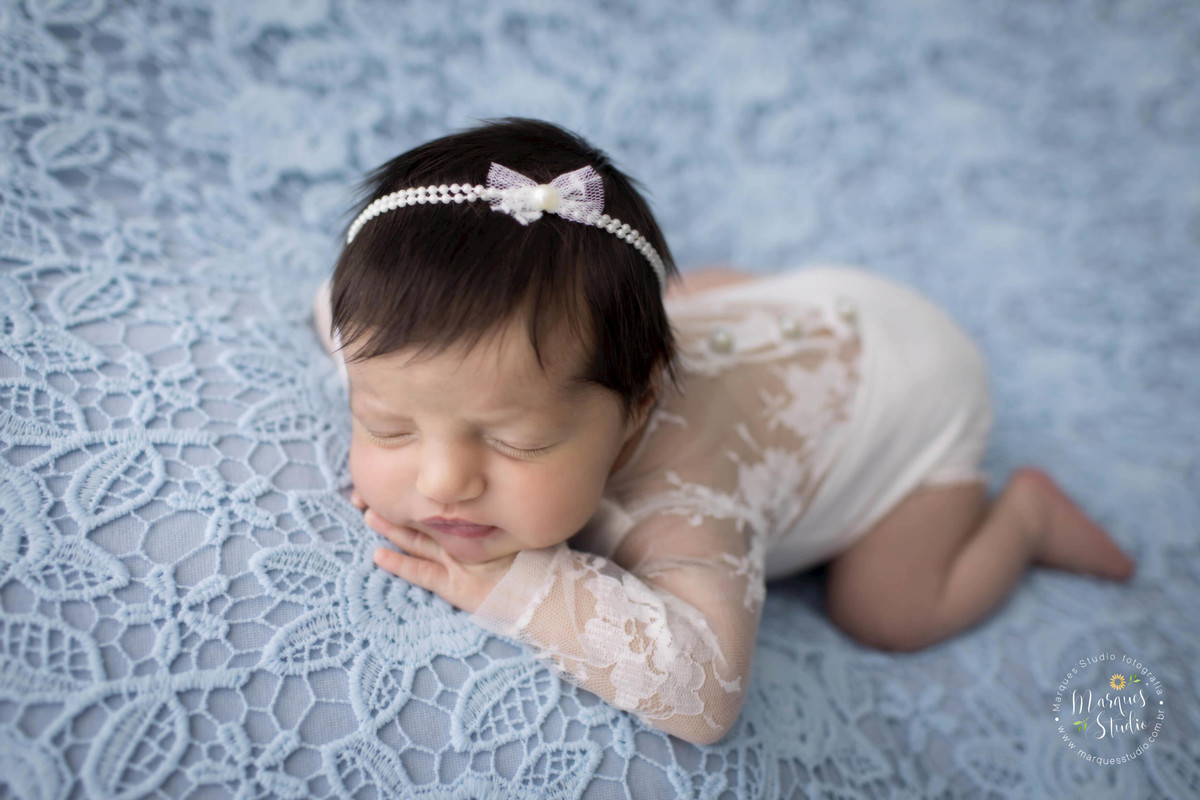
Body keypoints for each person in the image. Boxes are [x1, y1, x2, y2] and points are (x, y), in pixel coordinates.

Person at [312, 118, 1135, 746]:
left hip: (915, 397)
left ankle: (1024, 517)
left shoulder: (689, 500)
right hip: (810, 306)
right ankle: (738, 303)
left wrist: (514, 585)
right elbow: (361, 328)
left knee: (888, 610)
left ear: (638, 404)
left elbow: (704, 696)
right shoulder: (410, 351)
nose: (442, 481)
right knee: (657, 307)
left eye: (514, 443)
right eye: (389, 427)